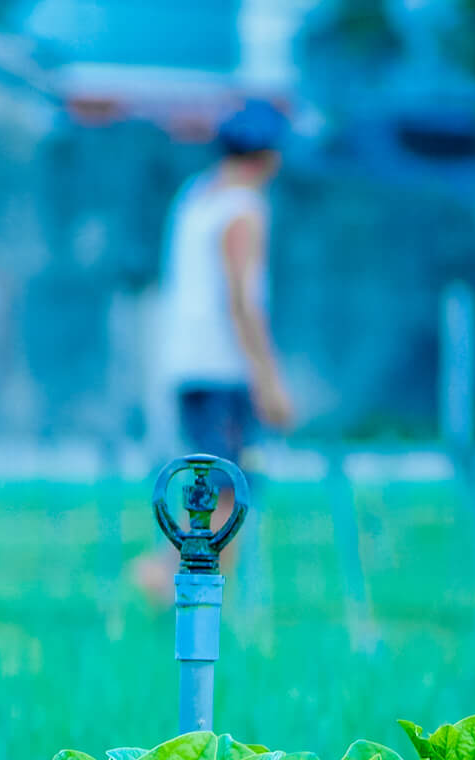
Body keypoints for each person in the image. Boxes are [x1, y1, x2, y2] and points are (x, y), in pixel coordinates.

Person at [133, 100, 295, 603]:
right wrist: (268, 379)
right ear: (268, 156)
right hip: (223, 367)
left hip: (188, 363)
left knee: (211, 485)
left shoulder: (197, 196)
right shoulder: (243, 208)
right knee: (228, 492)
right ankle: (170, 583)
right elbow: (243, 299)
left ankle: (190, 593)